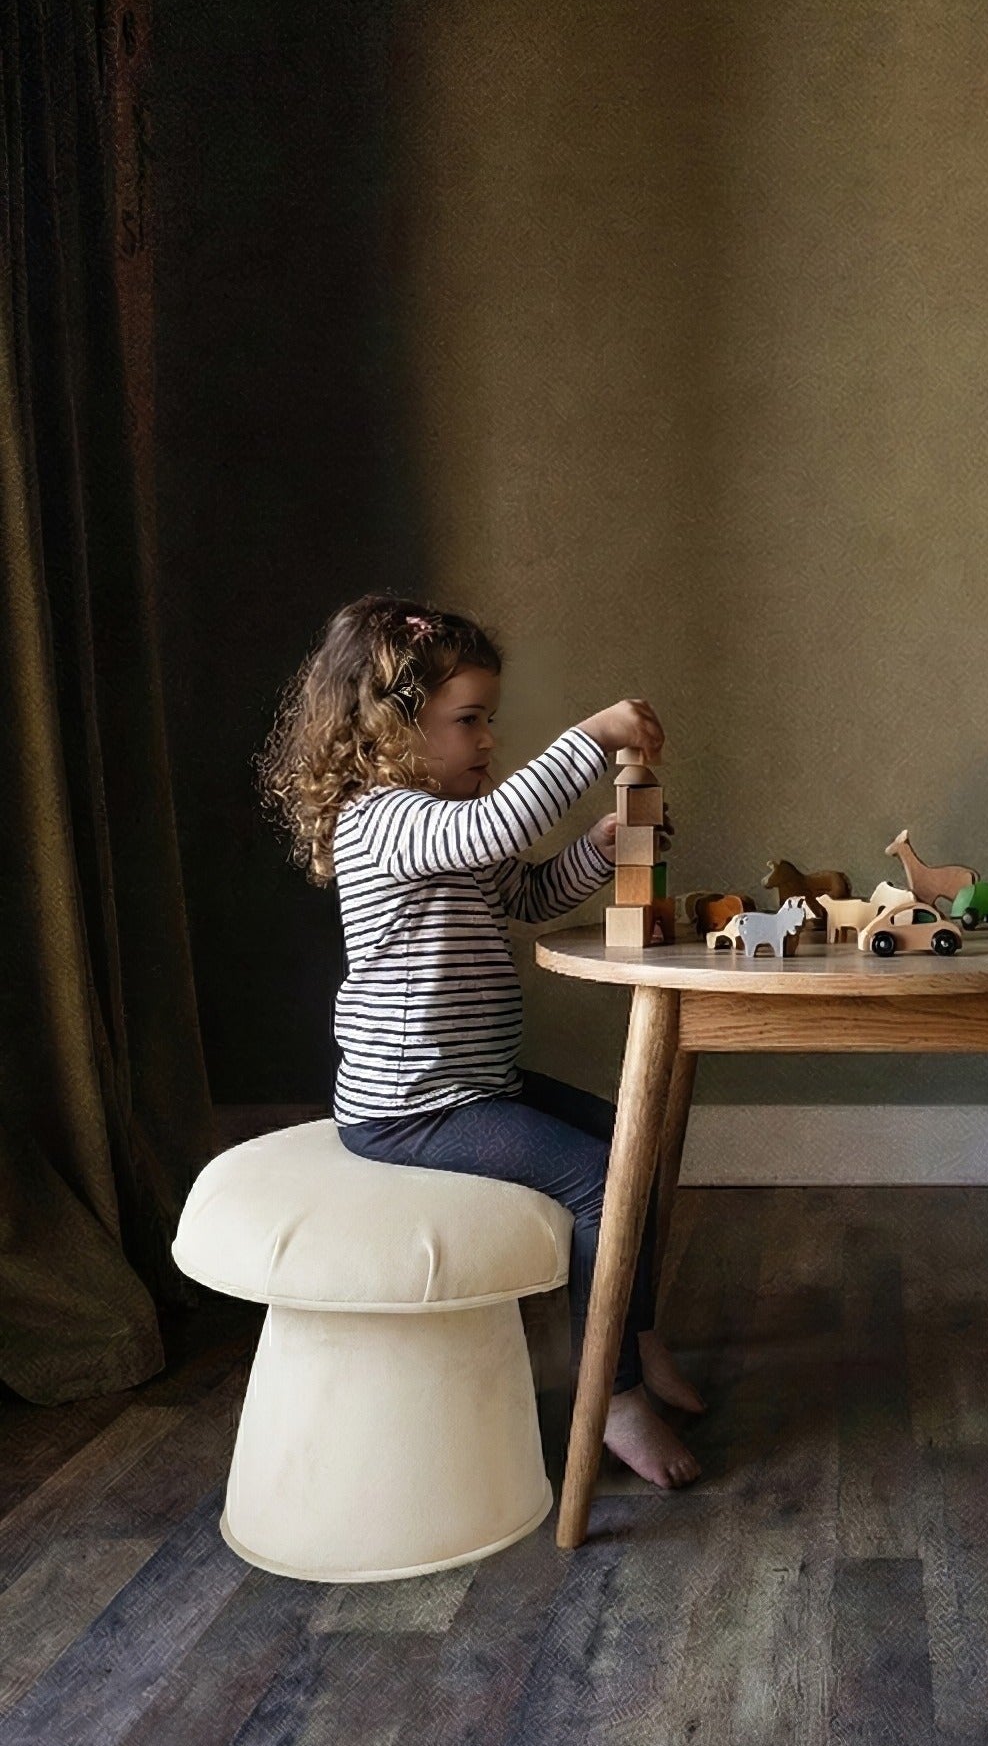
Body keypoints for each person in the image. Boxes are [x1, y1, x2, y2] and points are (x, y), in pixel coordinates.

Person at [259, 592, 702, 1489]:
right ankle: (610, 1397)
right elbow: (491, 829)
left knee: (634, 1136)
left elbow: (525, 893)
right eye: (469, 721)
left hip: (474, 1084)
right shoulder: (382, 820)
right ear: (390, 727)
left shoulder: (445, 823)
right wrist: (589, 736)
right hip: (409, 1110)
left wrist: (602, 844)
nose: (489, 742)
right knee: (600, 1178)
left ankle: (634, 1329)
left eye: (490, 721)